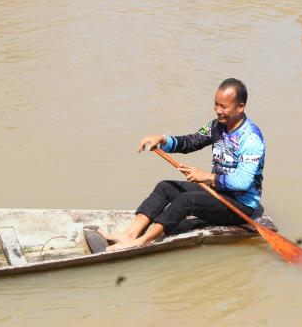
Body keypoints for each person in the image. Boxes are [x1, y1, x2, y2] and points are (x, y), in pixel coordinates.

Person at [100, 78, 265, 251]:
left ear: (240, 107)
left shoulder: (251, 138)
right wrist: (163, 139)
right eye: (216, 104)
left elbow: (244, 182)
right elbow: (191, 142)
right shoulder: (216, 126)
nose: (217, 110)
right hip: (218, 192)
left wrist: (207, 177)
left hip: (239, 205)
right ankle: (130, 235)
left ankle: (144, 241)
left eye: (223, 107)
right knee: (165, 187)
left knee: (186, 200)